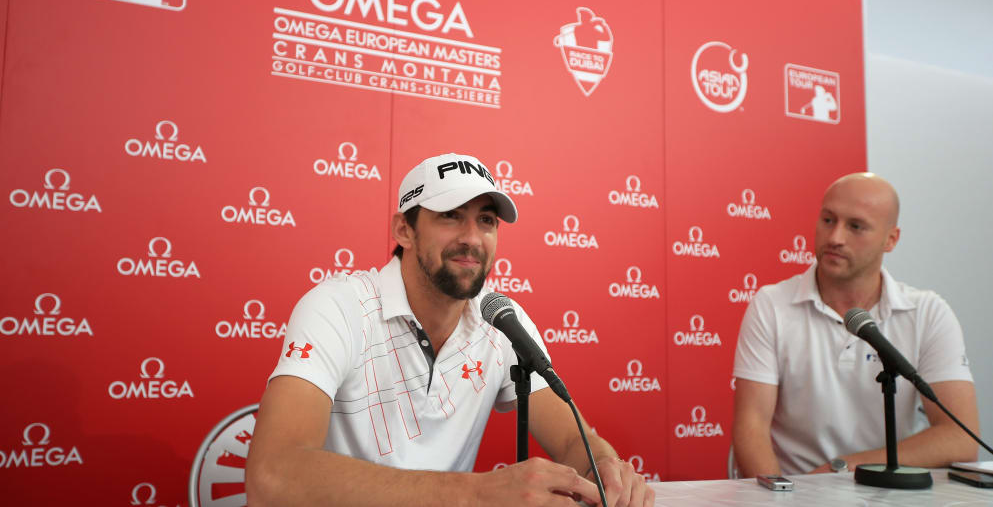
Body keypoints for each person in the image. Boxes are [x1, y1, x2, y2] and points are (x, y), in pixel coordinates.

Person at [246, 153, 654, 507]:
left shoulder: (501, 319)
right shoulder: (339, 307)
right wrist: (476, 495)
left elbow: (574, 441)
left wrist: (603, 467)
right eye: (450, 216)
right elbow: (273, 477)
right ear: (404, 229)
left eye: (486, 220)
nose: (471, 238)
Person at [732, 173, 978, 476]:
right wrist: (782, 499)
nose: (835, 237)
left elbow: (959, 437)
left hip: (890, 491)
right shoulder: (772, 305)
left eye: (856, 226)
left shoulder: (927, 312)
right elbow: (751, 426)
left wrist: (846, 467)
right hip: (797, 493)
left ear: (891, 239)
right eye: (828, 220)